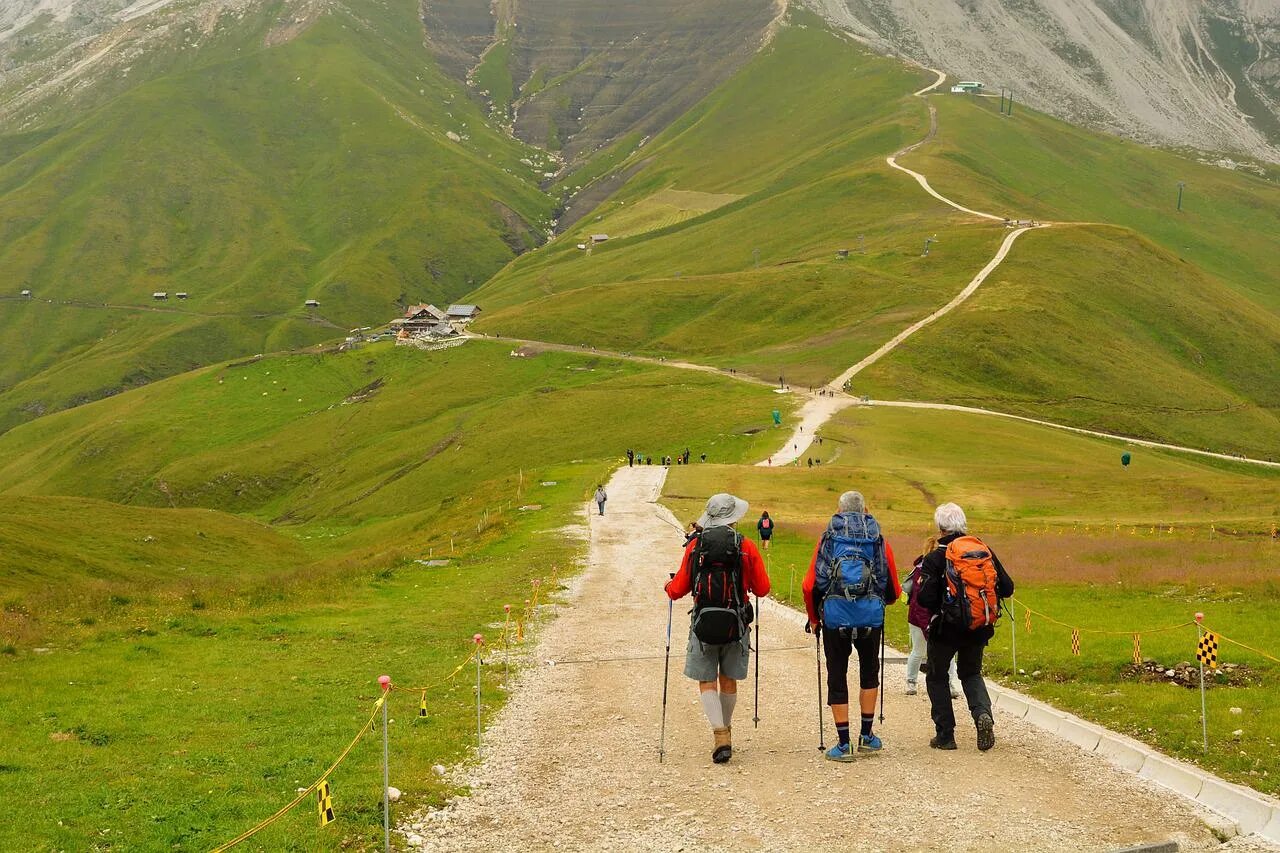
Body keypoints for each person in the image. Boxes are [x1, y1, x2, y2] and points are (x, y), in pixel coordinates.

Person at [665, 494, 771, 764]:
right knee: (728, 679)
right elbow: (763, 588)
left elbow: (678, 589)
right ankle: (727, 729)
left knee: (707, 679)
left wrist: (668, 586)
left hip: (703, 621)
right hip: (736, 623)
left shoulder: (695, 546)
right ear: (733, 518)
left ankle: (720, 734)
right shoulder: (745, 545)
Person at [802, 491, 901, 761]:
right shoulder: (878, 539)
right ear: (865, 510)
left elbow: (811, 585)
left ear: (839, 509)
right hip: (870, 616)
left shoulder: (829, 539)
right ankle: (867, 736)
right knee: (869, 672)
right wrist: (882, 602)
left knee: (837, 675)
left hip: (835, 617)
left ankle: (844, 744)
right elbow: (892, 586)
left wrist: (814, 618)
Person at [917, 502, 1014, 752]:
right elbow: (1008, 586)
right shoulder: (983, 551)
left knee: (937, 676)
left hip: (945, 630)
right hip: (978, 625)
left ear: (940, 528)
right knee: (971, 673)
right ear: (964, 524)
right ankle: (983, 715)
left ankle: (945, 735)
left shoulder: (935, 557)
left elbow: (924, 599)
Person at [902, 547, 960, 698]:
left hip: (940, 619)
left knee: (948, 652)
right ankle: (911, 681)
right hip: (918, 620)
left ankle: (950, 683)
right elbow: (918, 604)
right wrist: (926, 627)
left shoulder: (946, 570)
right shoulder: (921, 571)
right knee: (919, 650)